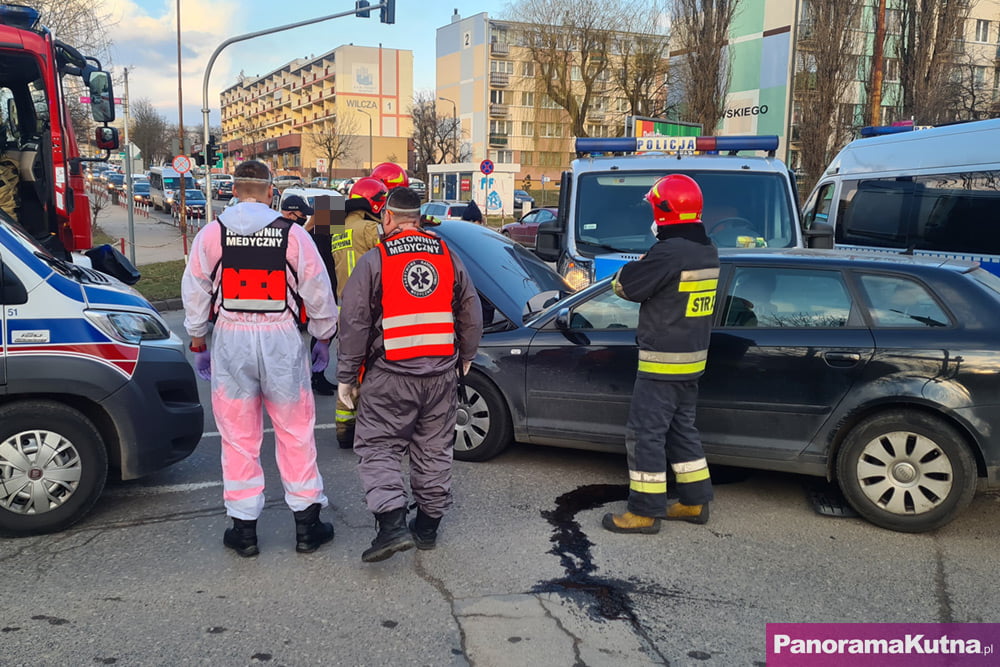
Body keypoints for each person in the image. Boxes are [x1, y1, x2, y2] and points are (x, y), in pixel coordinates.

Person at [181, 160, 338, 557]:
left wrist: (198, 341)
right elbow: (318, 288)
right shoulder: (293, 235)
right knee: (295, 431)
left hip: (231, 340)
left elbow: (196, 290)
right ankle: (307, 526)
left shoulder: (212, 234)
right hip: (280, 339)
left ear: (234, 191)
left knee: (237, 437)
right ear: (271, 192)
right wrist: (323, 336)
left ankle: (244, 530)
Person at [337, 186, 483, 562]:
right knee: (434, 449)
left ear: (387, 217)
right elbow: (470, 308)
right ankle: (427, 528)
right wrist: (466, 355)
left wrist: (347, 376)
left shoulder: (376, 259)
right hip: (441, 374)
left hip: (390, 374)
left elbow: (354, 321)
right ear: (418, 220)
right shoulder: (447, 255)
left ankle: (392, 526)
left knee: (379, 446)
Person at [603, 173, 719, 534]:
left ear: (664, 211)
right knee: (682, 430)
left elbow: (626, 286)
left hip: (662, 363)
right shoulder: (706, 249)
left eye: (654, 208)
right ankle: (694, 500)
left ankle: (644, 512)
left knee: (645, 434)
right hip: (692, 360)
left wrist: (633, 266)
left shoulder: (669, 252)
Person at [329, 177, 389, 448]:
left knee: (349, 367)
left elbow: (310, 228)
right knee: (375, 368)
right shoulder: (369, 228)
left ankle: (345, 428)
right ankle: (374, 429)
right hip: (372, 308)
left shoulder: (337, 226)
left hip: (345, 308)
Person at [281, 194, 338, 396]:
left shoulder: (322, 233)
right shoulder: (299, 234)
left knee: (322, 333)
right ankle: (312, 376)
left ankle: (317, 376)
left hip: (322, 285)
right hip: (301, 291)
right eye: (302, 214)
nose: (305, 217)